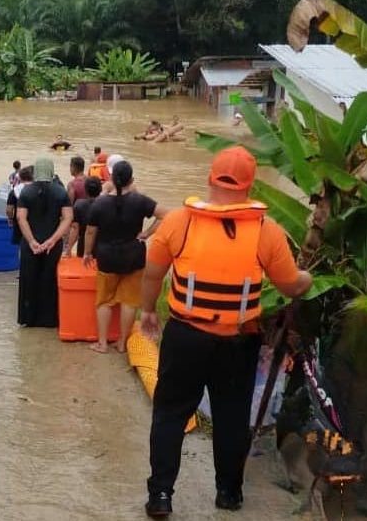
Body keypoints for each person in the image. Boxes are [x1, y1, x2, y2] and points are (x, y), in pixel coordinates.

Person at [139, 146, 313, 517]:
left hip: (185, 336)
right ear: (250, 187)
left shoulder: (178, 221)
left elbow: (153, 273)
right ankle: (229, 494)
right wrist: (308, 278)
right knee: (232, 417)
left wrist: (146, 311)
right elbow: (291, 285)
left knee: (169, 415)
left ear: (209, 178)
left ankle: (161, 496)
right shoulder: (267, 231)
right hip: (238, 340)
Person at [83, 161, 167, 354]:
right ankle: (122, 343)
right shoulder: (140, 201)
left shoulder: (100, 204)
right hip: (134, 256)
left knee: (104, 300)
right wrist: (147, 233)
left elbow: (90, 232)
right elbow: (166, 215)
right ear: (132, 180)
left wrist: (87, 253)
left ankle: (102, 343)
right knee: (129, 301)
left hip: (107, 256)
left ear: (111, 179)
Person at [16, 158, 72, 327]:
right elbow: (68, 218)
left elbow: (21, 218)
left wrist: (32, 241)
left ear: (36, 172)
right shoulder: (61, 192)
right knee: (50, 279)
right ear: (51, 170)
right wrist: (53, 240)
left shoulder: (26, 192)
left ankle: (29, 318)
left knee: (29, 278)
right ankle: (49, 319)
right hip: (52, 245)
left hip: (30, 244)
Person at [64, 177, 103, 258]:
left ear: (85, 190)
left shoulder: (79, 205)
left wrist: (69, 249)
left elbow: (75, 229)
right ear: (100, 189)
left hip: (83, 246)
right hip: (102, 247)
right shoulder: (106, 205)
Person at [7, 166, 33, 245]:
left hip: (19, 223)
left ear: (20, 178)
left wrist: (10, 220)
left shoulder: (14, 191)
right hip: (35, 223)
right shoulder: (37, 190)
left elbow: (9, 209)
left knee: (21, 245)